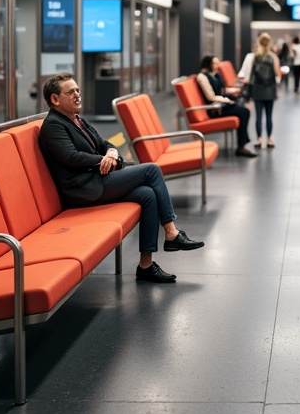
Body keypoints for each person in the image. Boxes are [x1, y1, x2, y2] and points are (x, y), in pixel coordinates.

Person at [38, 73, 203, 283]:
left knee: (147, 194)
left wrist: (112, 154)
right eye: (71, 92)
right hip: (83, 189)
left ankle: (146, 265)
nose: (78, 95)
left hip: (97, 180)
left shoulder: (76, 119)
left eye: (78, 90)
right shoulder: (53, 125)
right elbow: (70, 157)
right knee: (151, 170)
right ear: (54, 99)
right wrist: (102, 160)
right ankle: (171, 233)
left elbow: (105, 144)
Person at [197, 54, 257, 157]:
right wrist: (226, 100)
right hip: (214, 109)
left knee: (242, 107)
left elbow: (221, 90)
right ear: (208, 64)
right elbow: (210, 96)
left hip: (221, 105)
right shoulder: (202, 77)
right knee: (244, 112)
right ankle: (241, 146)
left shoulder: (215, 74)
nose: (218, 65)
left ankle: (242, 143)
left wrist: (229, 94)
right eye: (215, 63)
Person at [238, 32, 281, 148]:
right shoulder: (273, 57)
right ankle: (270, 140)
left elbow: (251, 75)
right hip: (270, 89)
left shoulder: (254, 57)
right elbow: (278, 74)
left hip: (257, 89)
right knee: (269, 116)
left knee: (258, 116)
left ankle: (259, 140)